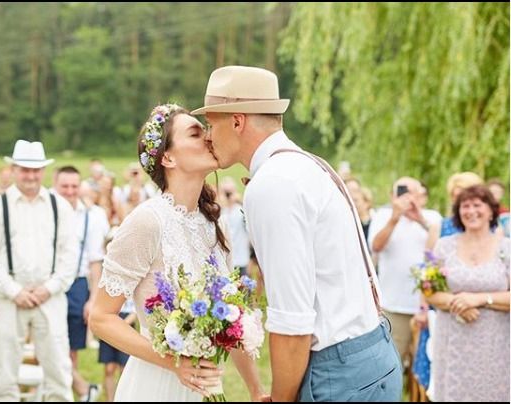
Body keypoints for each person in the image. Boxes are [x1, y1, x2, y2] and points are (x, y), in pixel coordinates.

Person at [193, 65, 402, 402]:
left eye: (211, 124)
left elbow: (292, 321)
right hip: (373, 351)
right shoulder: (308, 164)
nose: (207, 136)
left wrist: (280, 398)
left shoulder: (273, 184)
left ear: (236, 121)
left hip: (339, 375)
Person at [89, 104, 265, 401]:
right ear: (168, 157)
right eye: (195, 133)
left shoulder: (215, 221)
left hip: (203, 387)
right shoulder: (147, 221)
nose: (208, 137)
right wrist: (175, 363)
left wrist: (257, 390)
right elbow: (100, 318)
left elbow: (231, 320)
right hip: (154, 385)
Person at [0, 140, 77, 401]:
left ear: (43, 171)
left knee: (58, 372)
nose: (30, 176)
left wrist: (48, 288)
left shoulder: (59, 206)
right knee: (4, 374)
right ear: (13, 170)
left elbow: (69, 255)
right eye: (24, 170)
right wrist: (14, 291)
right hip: (8, 299)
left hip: (50, 298)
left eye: (36, 170)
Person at [426, 185, 509, 402]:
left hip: (495, 344)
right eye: (465, 206)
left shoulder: (506, 248)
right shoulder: (443, 247)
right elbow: (429, 291)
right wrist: (458, 302)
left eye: (477, 205)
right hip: (453, 341)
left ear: (491, 211)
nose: (471, 211)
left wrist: (480, 298)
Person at [368, 177, 441, 366]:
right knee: (390, 364)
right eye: (402, 192)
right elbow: (376, 246)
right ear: (393, 196)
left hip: (428, 306)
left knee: (425, 367)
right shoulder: (383, 216)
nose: (408, 197)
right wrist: (395, 218)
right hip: (393, 306)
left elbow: (443, 249)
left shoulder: (432, 218)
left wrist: (420, 219)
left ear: (421, 195)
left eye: (413, 192)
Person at [54, 165, 110, 402]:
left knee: (72, 347)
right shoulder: (46, 209)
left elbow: (96, 260)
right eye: (64, 186)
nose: (69, 191)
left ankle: (71, 392)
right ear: (55, 186)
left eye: (74, 186)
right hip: (48, 282)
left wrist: (92, 298)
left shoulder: (93, 215)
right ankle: (82, 387)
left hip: (77, 284)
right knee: (48, 342)